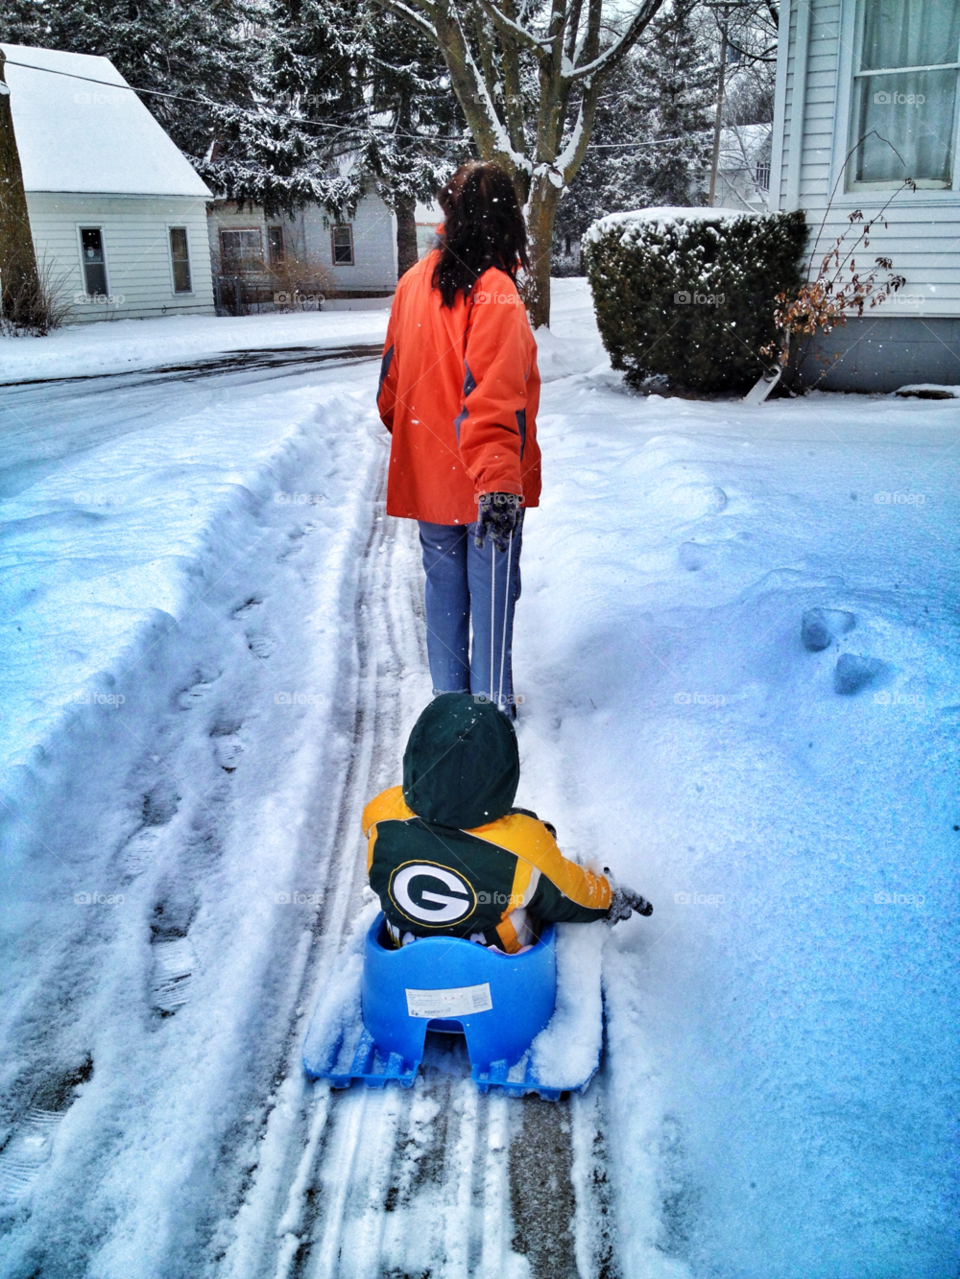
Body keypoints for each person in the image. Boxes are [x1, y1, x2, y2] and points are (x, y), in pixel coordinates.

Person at [376, 161, 541, 716]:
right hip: (486, 487)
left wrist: (425, 445)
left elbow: (390, 390)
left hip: (433, 483)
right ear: (507, 219)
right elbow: (494, 400)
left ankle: (448, 712)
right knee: (492, 601)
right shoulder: (495, 291)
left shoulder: (410, 284)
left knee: (444, 598)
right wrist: (498, 487)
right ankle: (491, 720)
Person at [362, 694, 653, 952]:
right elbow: (571, 897)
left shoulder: (383, 811)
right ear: (502, 772)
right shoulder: (523, 844)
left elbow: (372, 829)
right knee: (537, 888)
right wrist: (609, 897)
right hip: (492, 958)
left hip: (404, 947)